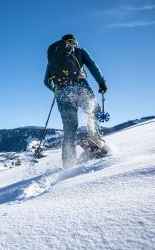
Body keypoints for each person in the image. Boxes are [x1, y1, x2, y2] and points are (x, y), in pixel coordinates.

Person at [44, 34, 107, 168]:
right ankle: (95, 140)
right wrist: (101, 82)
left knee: (69, 129)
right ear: (74, 42)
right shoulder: (79, 51)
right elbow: (92, 66)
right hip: (81, 88)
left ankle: (68, 163)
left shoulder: (53, 59)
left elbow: (46, 82)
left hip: (63, 94)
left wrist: (57, 90)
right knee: (93, 111)